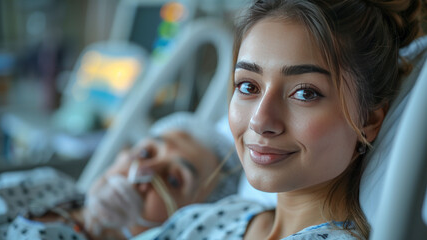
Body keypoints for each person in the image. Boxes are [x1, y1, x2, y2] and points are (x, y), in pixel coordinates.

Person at [144, 0, 425, 239]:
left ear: (369, 121)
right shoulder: (209, 220)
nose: (260, 120)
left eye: (305, 93)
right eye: (248, 87)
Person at [0, 112, 241, 240]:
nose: (145, 171)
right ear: (122, 154)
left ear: (187, 218)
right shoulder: (49, 184)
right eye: (146, 152)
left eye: (174, 180)